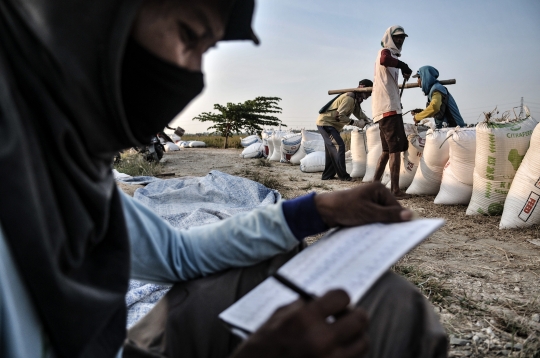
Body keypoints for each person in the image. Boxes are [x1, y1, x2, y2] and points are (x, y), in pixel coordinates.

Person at [0, 2, 447, 358]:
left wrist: (315, 210)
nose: (195, 75)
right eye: (190, 36)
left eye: (206, 50)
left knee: (382, 302)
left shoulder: (67, 167)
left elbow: (176, 254)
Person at [371, 25, 414, 199]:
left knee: (387, 151)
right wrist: (404, 65)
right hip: (388, 109)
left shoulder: (392, 57)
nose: (400, 40)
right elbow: (384, 59)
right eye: (397, 37)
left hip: (385, 108)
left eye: (402, 37)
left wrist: (401, 68)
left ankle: (374, 187)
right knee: (395, 149)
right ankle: (395, 190)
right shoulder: (385, 52)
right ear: (389, 37)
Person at [316, 80, 373, 181]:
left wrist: (368, 120)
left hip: (332, 125)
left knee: (331, 151)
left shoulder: (355, 99)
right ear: (362, 87)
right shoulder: (349, 98)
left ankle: (327, 175)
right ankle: (344, 176)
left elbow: (358, 113)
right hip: (326, 124)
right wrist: (356, 123)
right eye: (369, 91)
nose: (370, 94)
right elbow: (339, 116)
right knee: (339, 146)